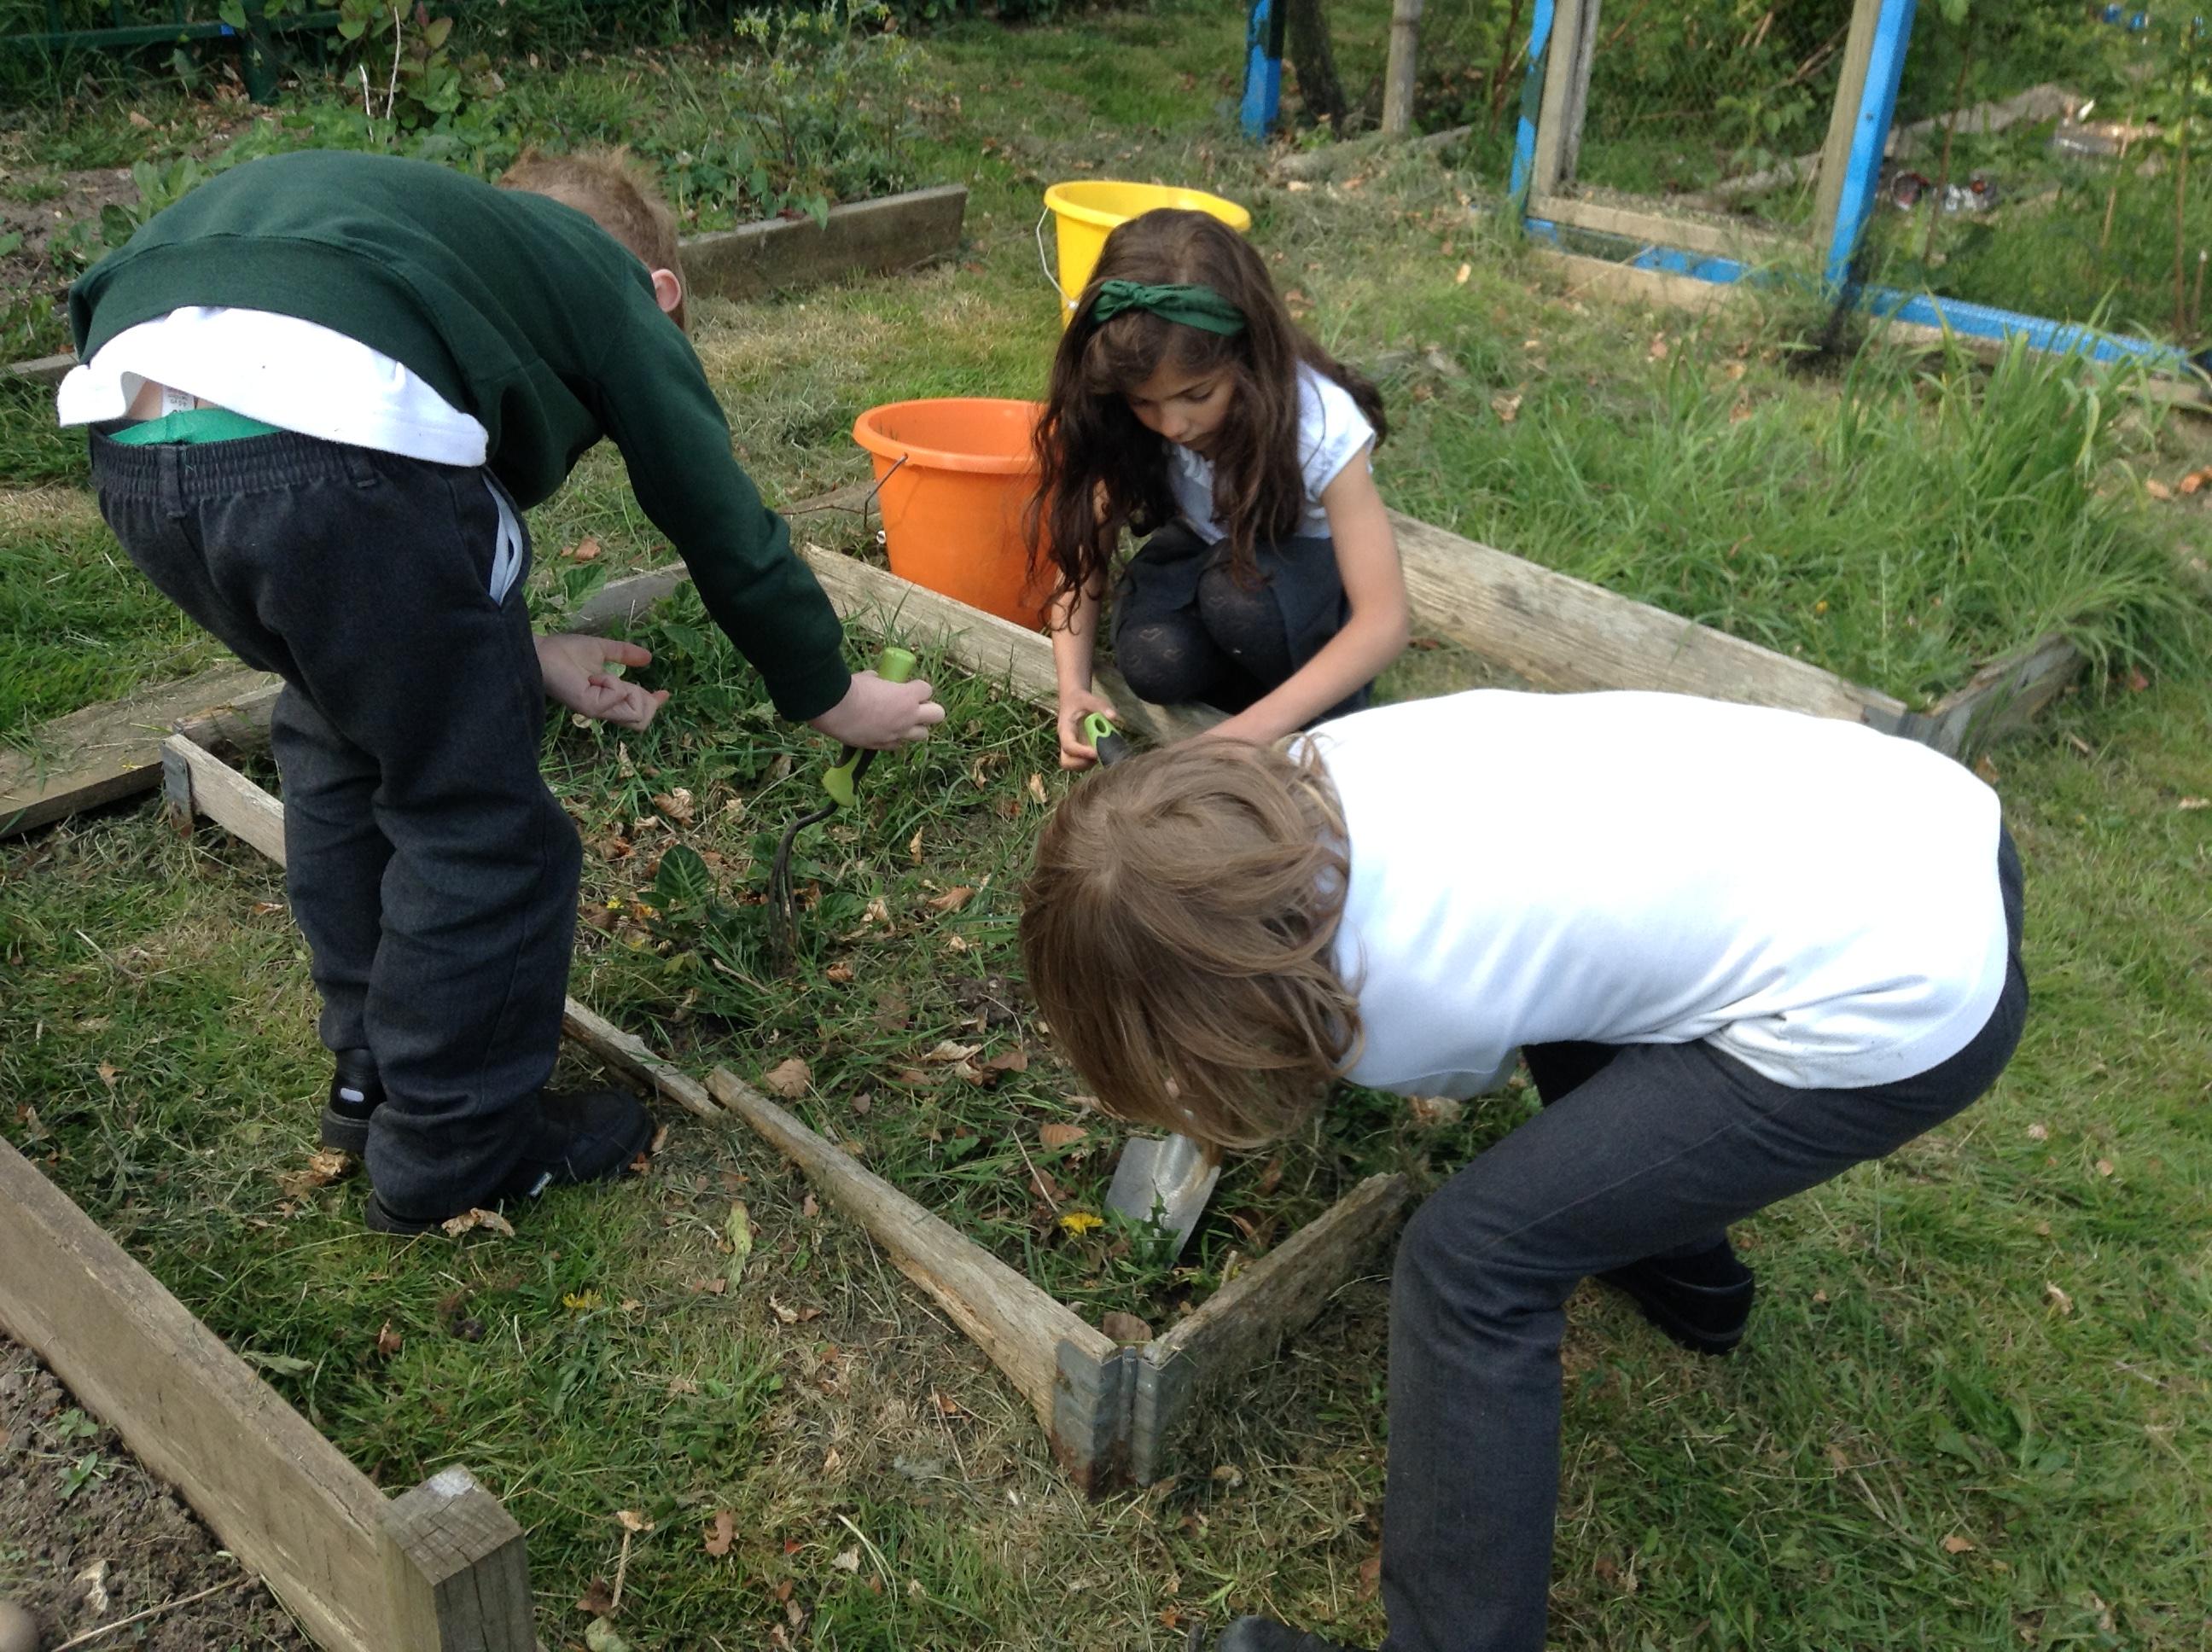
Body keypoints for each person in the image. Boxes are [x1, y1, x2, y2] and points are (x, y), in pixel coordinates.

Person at [1019, 689, 2028, 1652]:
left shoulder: (1394, 1004)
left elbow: (1462, 1057)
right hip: (1917, 818)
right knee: (1569, 1005)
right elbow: (1543, 983)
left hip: (1900, 992)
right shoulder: (1341, 759)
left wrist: (1222, 1075)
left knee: (1471, 1265)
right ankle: (1689, 1283)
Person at [60, 148, 942, 1235]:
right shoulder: (613, 284)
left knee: (340, 729)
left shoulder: (426, 246)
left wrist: (516, 650)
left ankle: (371, 1077)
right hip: (333, 444)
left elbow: (371, 587)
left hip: (134, 433)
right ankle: (454, 1149)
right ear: (665, 290)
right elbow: (714, 509)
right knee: (481, 827)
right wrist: (832, 692)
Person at [1030, 208, 1410, 771]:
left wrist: (1238, 740)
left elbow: (1385, 622)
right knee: (1154, 659)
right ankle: (1251, 695)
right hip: (1205, 557)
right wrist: (1072, 689)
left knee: (1238, 602)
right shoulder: (1127, 420)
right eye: (1144, 402)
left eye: (1197, 395)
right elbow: (1085, 554)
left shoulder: (1320, 428)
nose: (1172, 425)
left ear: (1248, 358)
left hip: (1298, 580)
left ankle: (1308, 709)